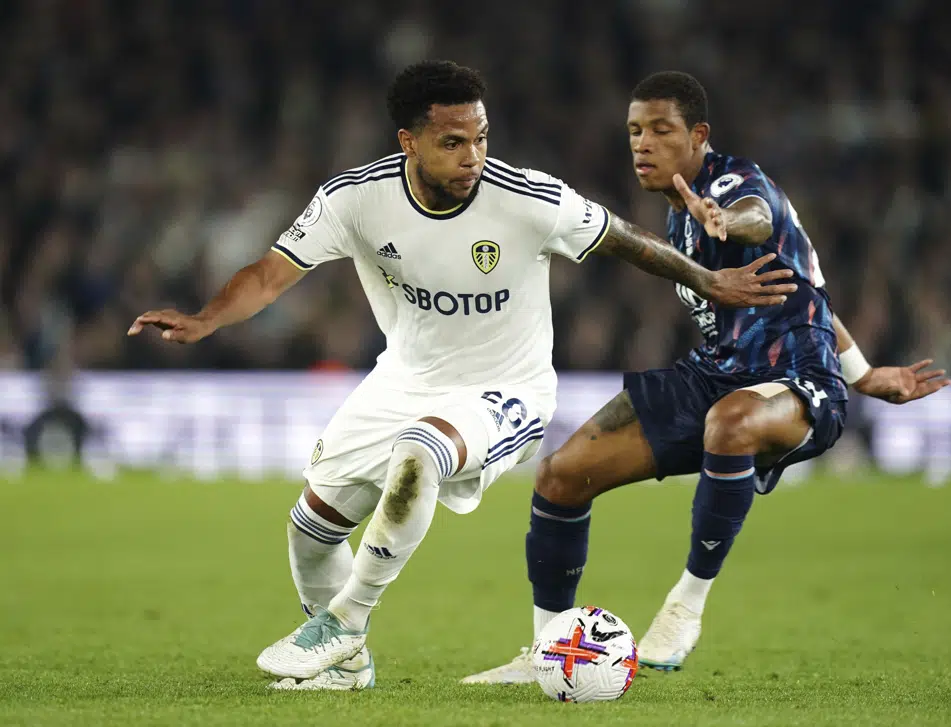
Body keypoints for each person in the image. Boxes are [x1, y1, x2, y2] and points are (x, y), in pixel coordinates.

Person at [127, 61, 794, 690]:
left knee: (421, 453)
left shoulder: (525, 198)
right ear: (408, 141)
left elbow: (626, 239)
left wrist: (707, 276)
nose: (472, 155)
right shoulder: (354, 200)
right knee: (310, 527)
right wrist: (206, 318)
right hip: (404, 379)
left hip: (507, 388)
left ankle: (344, 620)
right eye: (452, 142)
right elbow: (272, 273)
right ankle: (349, 663)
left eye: (480, 138)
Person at [462, 71, 951, 684]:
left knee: (734, 421)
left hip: (798, 380)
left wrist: (724, 218)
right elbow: (812, 288)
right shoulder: (677, 222)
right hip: (716, 372)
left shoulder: (735, 184)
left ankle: (685, 607)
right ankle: (545, 654)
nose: (644, 143)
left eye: (662, 130)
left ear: (698, 136)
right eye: (635, 131)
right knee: (562, 475)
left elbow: (753, 217)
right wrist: (869, 372)